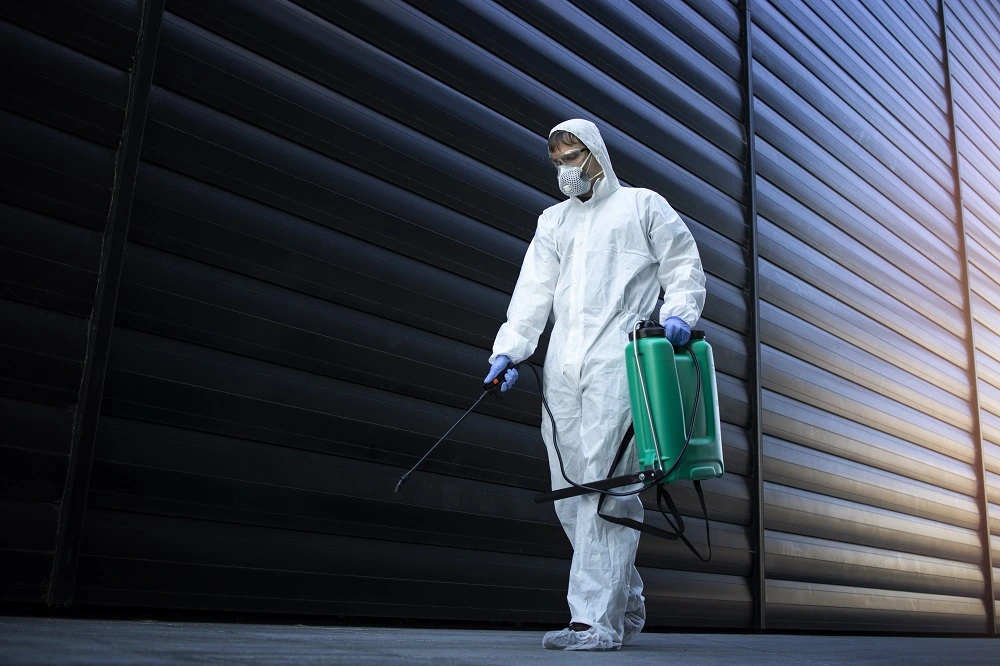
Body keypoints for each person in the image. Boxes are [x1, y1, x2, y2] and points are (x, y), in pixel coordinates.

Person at [483, 119, 707, 651]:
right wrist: (511, 349)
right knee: (568, 491)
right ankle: (624, 599)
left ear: (596, 154)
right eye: (557, 160)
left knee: (605, 488)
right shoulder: (553, 221)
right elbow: (533, 290)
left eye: (572, 156)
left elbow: (682, 264)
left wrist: (678, 311)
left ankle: (593, 622)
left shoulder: (642, 207)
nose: (565, 169)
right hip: (562, 366)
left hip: (618, 362)